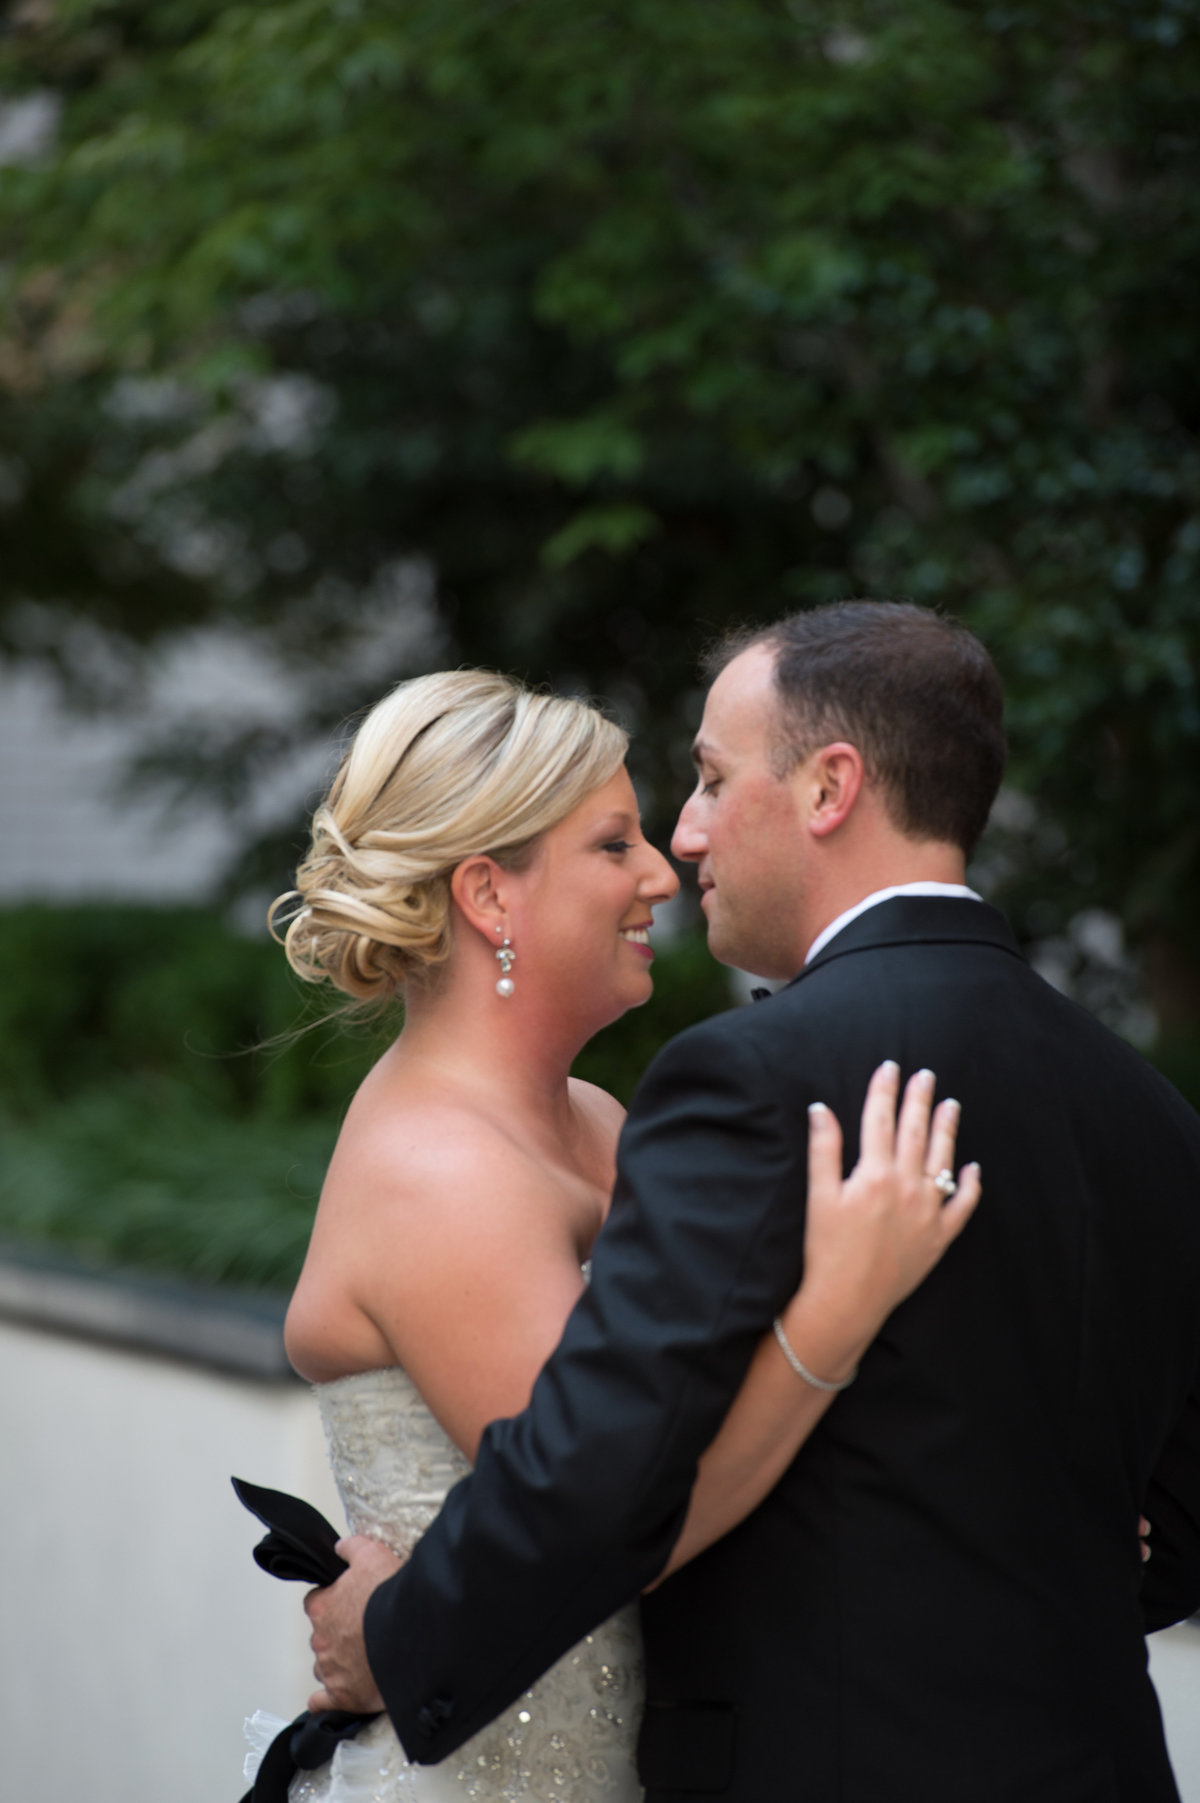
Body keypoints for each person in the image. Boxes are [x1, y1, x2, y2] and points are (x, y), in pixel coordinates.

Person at [308, 603, 1200, 1803]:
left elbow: (601, 1490)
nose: (683, 844)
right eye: (621, 838)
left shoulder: (755, 1077)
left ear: (830, 788)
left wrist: (394, 1633)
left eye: (712, 782)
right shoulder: (1146, 1105)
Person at [245, 666, 978, 1802]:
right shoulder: (435, 1173)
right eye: (612, 844)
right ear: (489, 897)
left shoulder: (597, 1121)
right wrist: (834, 1312)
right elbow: (616, 1522)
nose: (661, 874)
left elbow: (722, 1415)